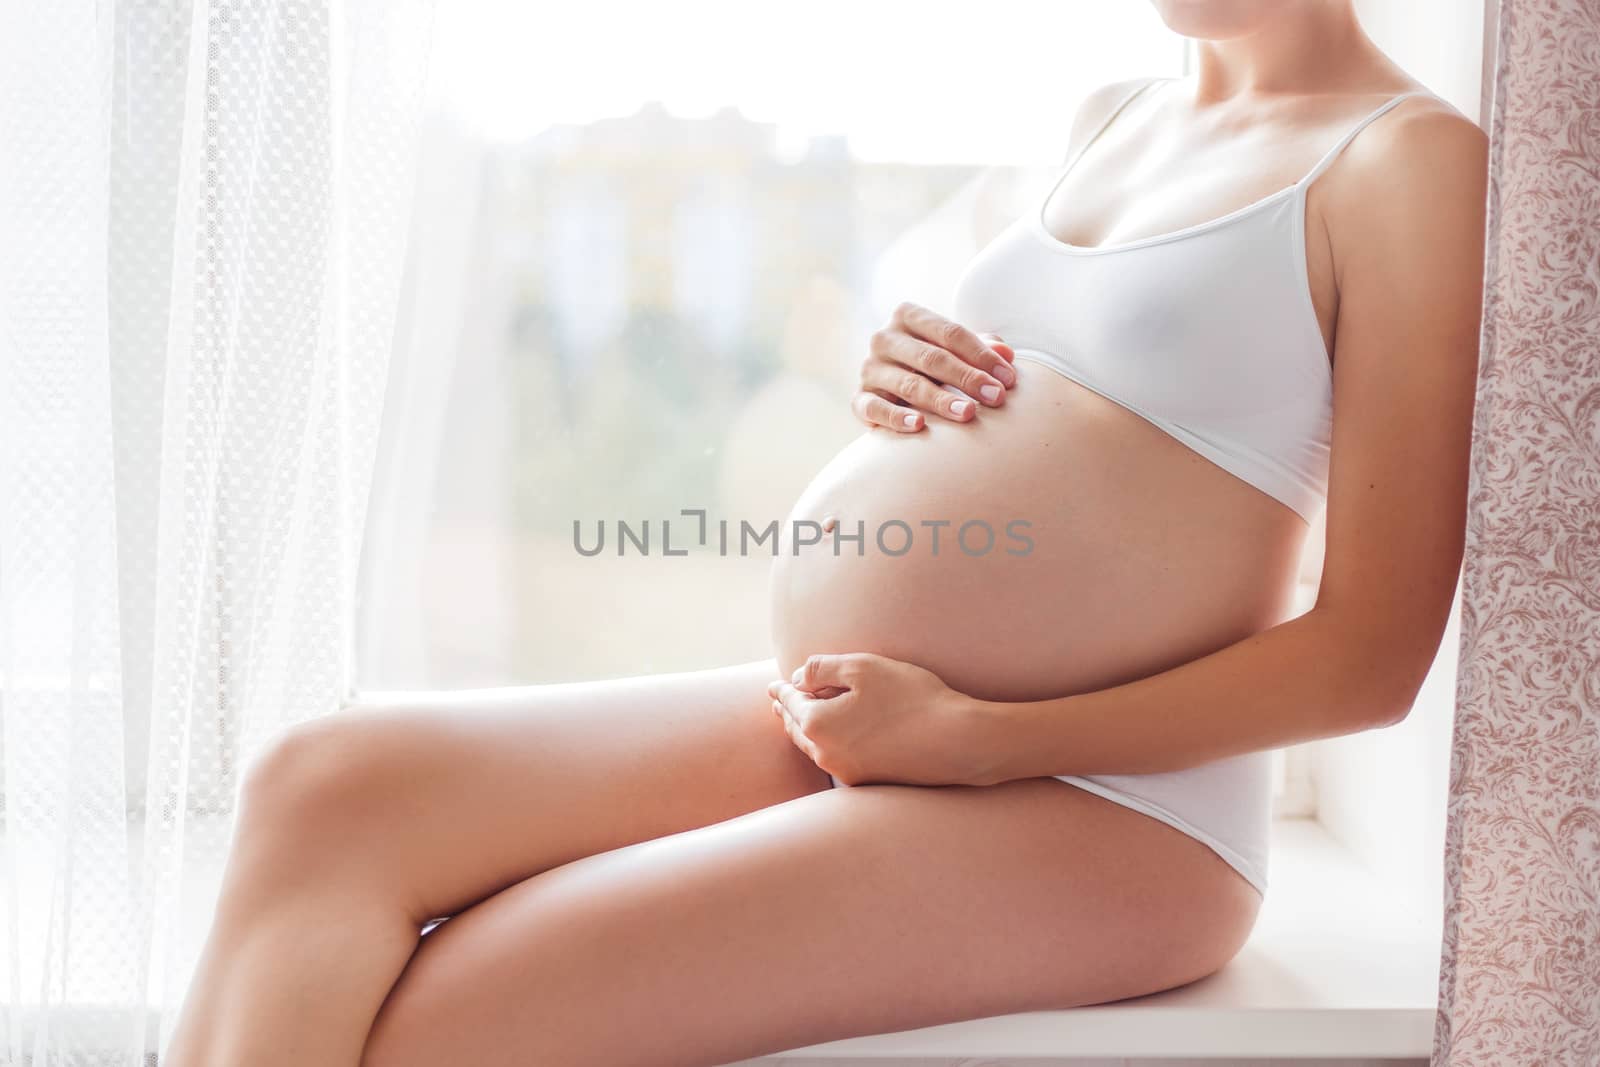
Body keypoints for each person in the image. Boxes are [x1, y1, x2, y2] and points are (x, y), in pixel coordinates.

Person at [166, 2, 1488, 1064]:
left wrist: (980, 741)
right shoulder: (1118, 116)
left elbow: (1370, 659)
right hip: (887, 726)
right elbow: (1087, 411)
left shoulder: (1406, 161)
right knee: (321, 786)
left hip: (1108, 810)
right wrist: (903, 374)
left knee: (442, 1017)